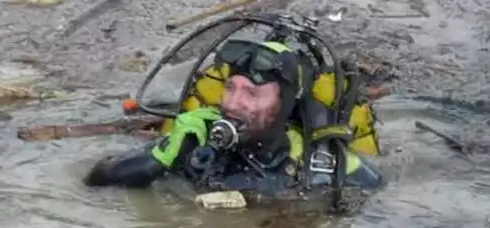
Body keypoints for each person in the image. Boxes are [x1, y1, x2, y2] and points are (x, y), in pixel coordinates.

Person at [83, 14, 385, 205]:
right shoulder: (196, 149)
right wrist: (163, 154)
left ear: (285, 104)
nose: (232, 103)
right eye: (230, 88)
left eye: (252, 93)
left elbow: (384, 204)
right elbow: (96, 181)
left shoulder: (326, 167)